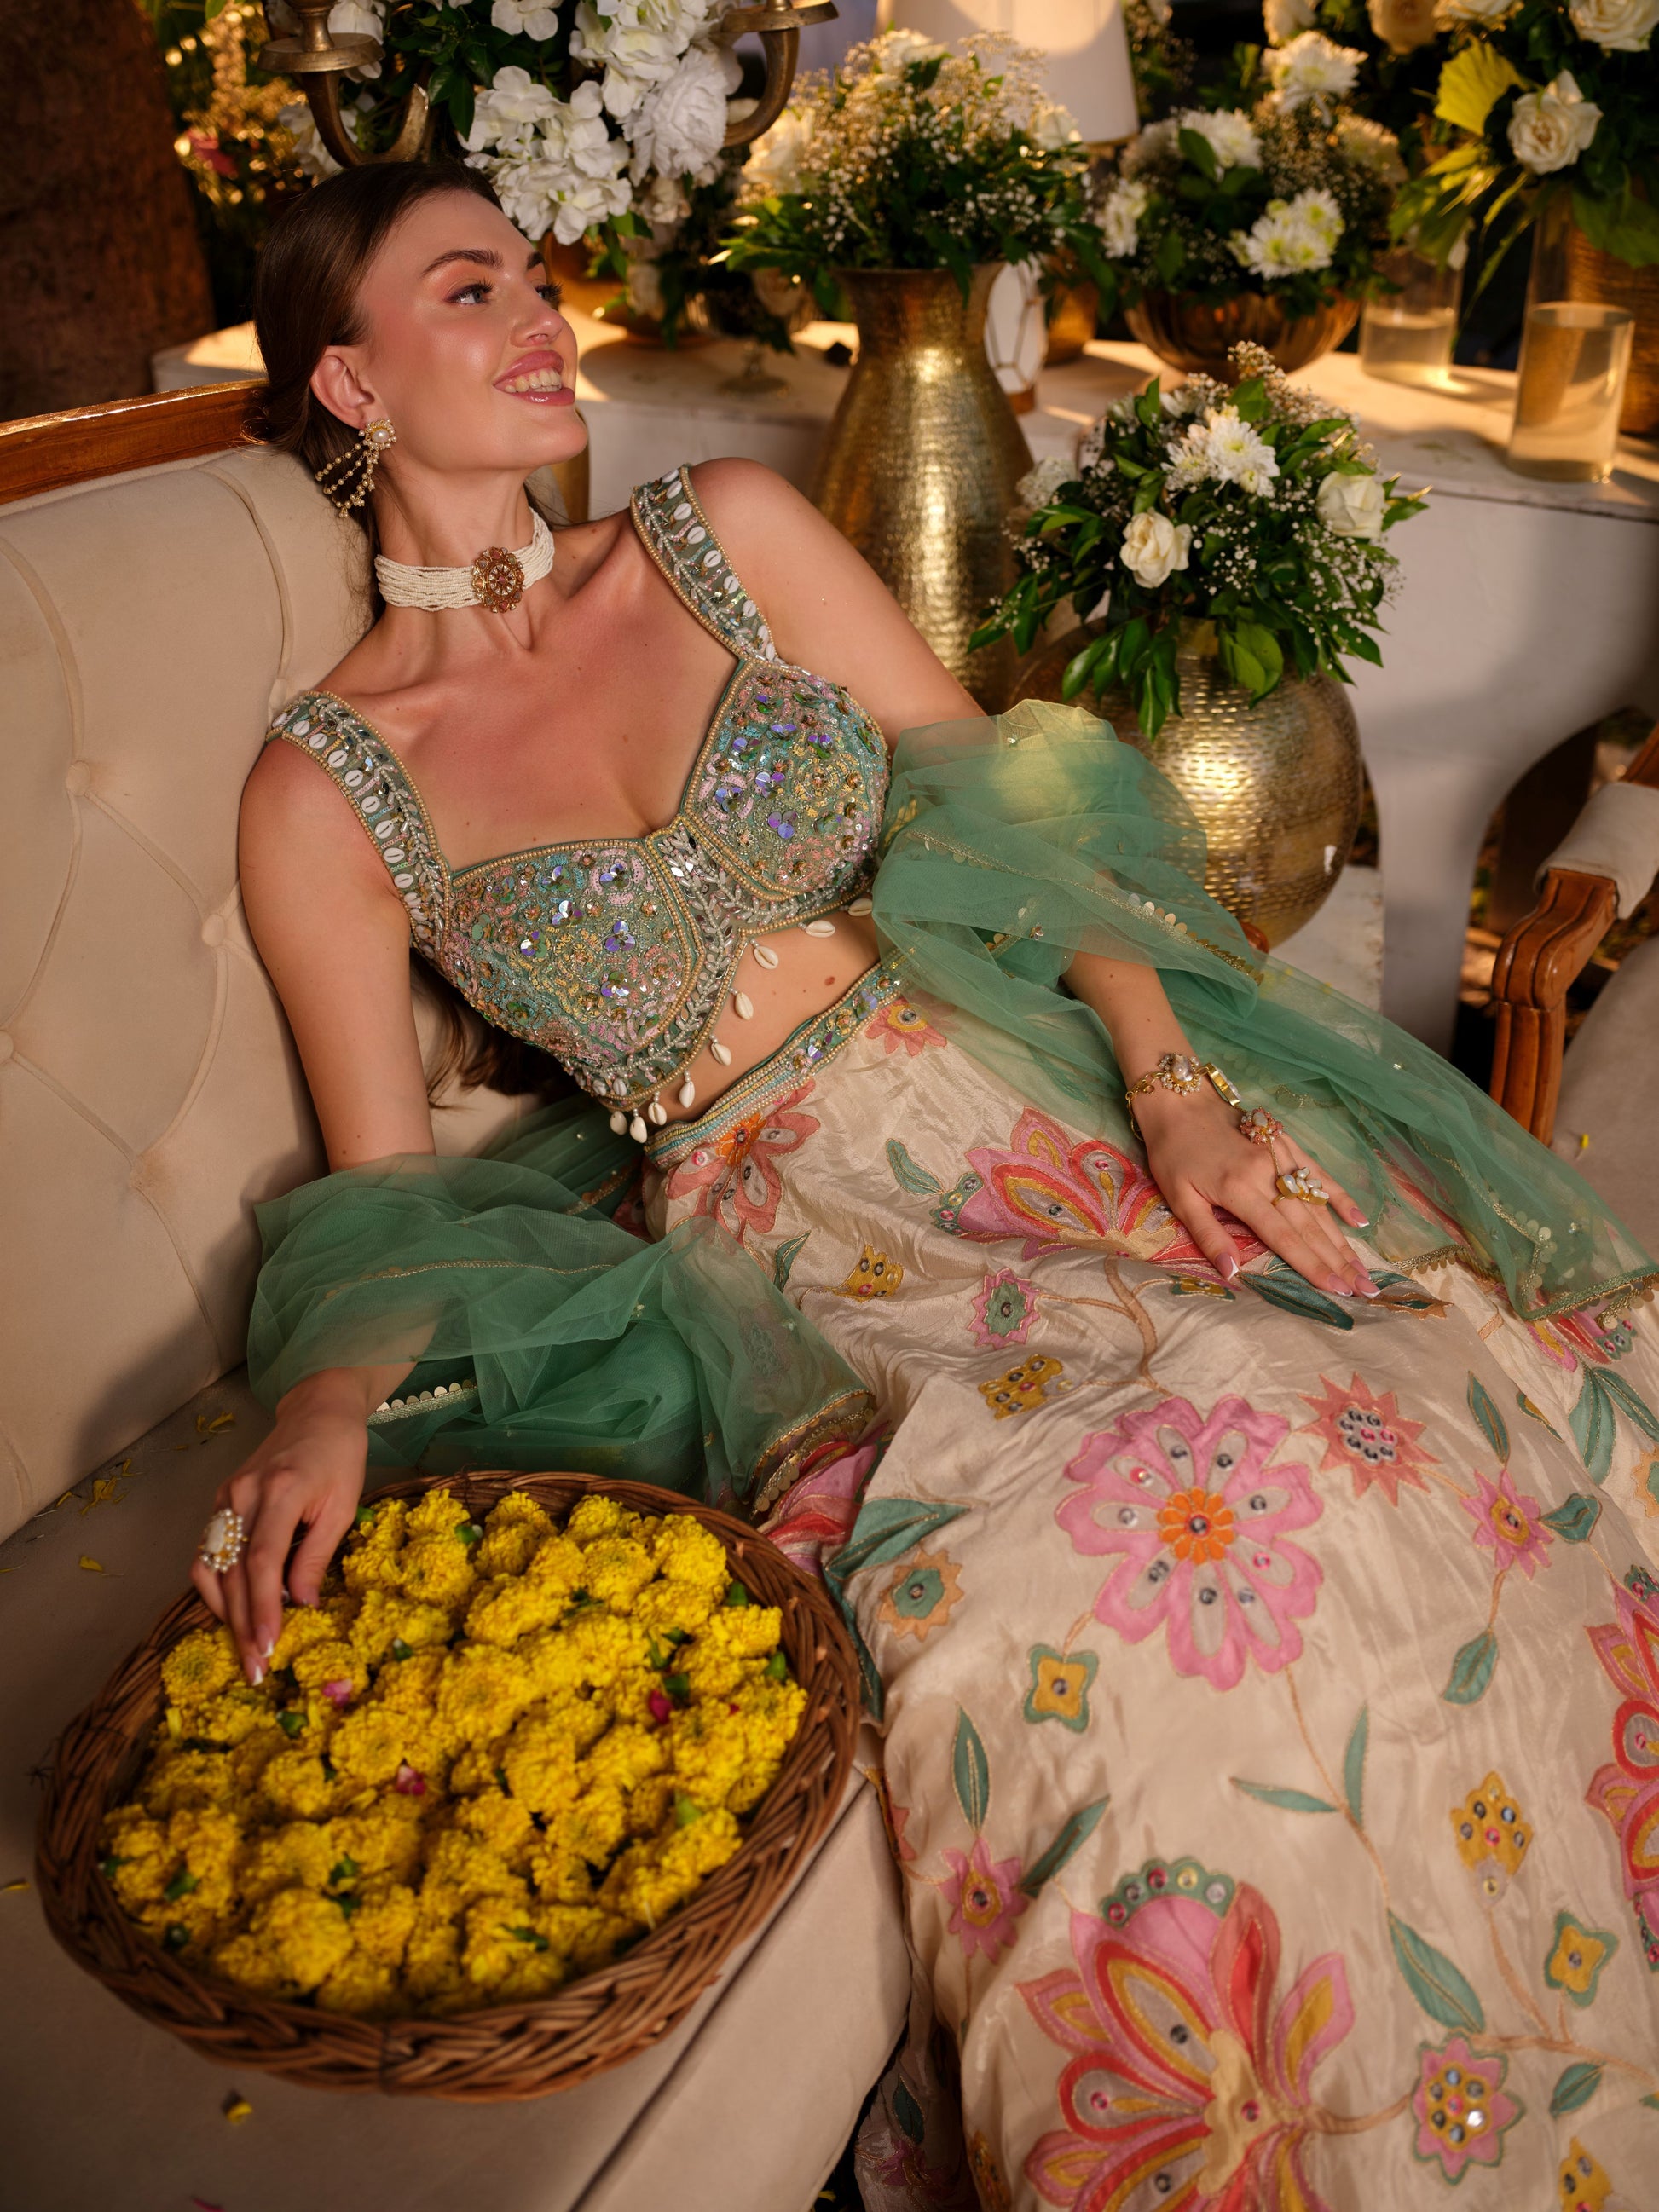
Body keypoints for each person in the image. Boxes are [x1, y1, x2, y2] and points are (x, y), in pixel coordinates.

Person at [194, 162, 1659, 2207]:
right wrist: (329, 1398)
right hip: (795, 1235)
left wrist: (1171, 1086)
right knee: (1132, 1547)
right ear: (352, 381)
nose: (543, 318)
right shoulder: (328, 784)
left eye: (537, 274)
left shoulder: (724, 532)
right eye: (472, 290)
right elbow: (383, 1191)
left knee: (1365, 1391)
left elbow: (1013, 801)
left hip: (1027, 1070)